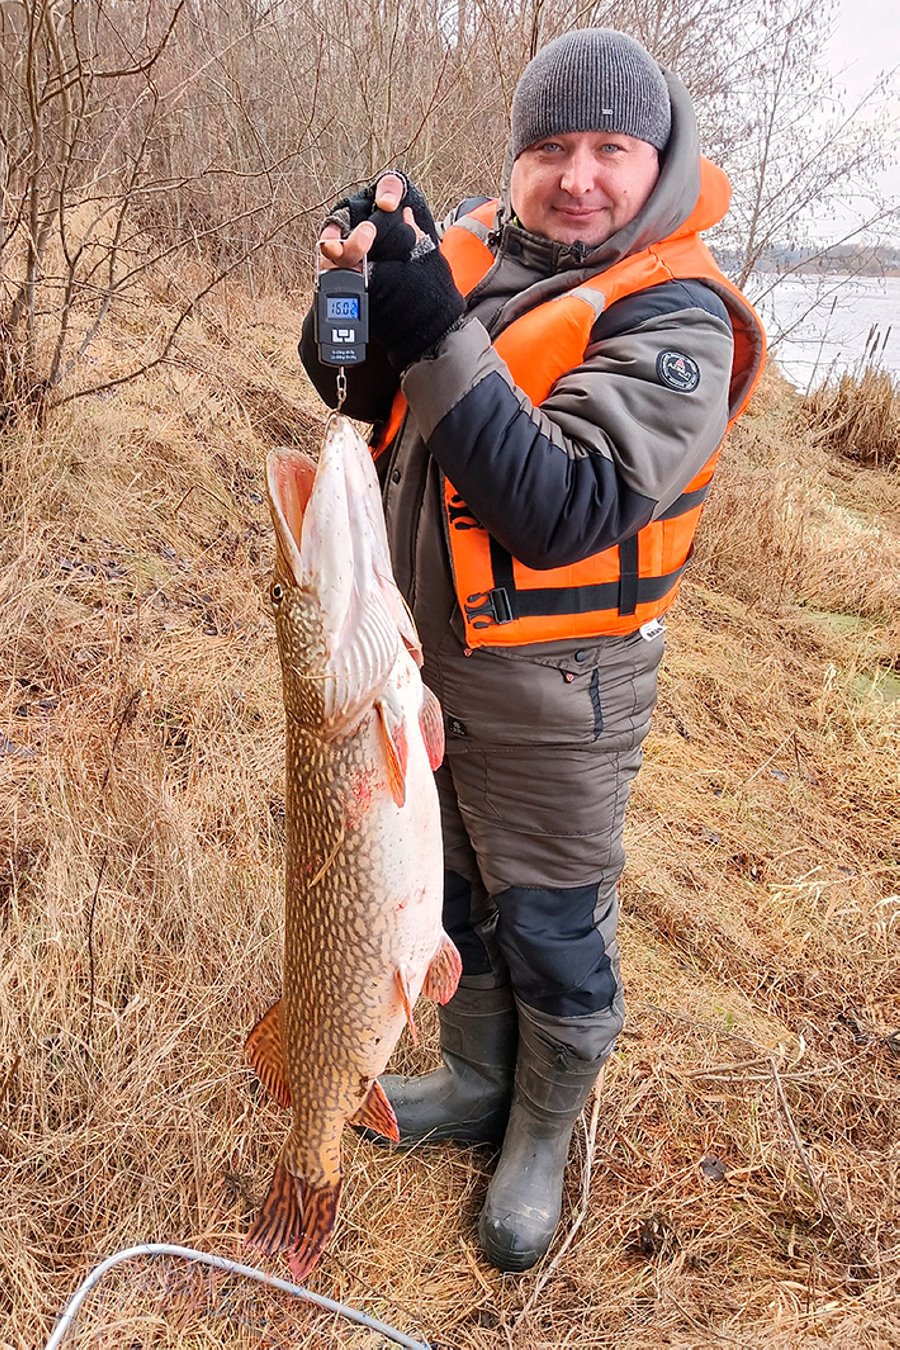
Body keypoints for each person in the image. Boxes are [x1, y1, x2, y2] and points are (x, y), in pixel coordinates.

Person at [300, 28, 766, 1272]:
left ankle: (543, 1136)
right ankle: (474, 1082)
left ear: (656, 158)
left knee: (551, 923)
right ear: (516, 159)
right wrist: (356, 279)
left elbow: (559, 509)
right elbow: (348, 387)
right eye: (551, 146)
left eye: (611, 148)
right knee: (450, 897)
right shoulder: (473, 250)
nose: (578, 176)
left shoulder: (679, 317)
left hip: (564, 697)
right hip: (422, 672)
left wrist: (432, 320)